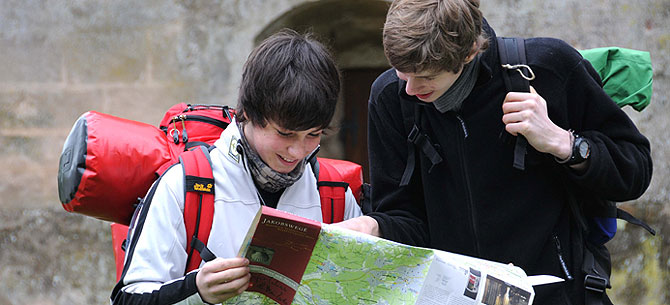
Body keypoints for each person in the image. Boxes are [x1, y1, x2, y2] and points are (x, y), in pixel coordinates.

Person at [333, 0, 652, 304]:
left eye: (426, 77)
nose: (410, 90)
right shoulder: (391, 97)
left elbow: (635, 170)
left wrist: (562, 143)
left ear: (470, 52)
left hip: (555, 294)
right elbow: (406, 219)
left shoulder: (547, 68)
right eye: (402, 73)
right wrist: (374, 227)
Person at [111, 29, 362, 305]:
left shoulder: (335, 194)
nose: (298, 151)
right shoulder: (185, 185)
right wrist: (196, 290)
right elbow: (126, 300)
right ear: (249, 114)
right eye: (285, 134)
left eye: (313, 135)